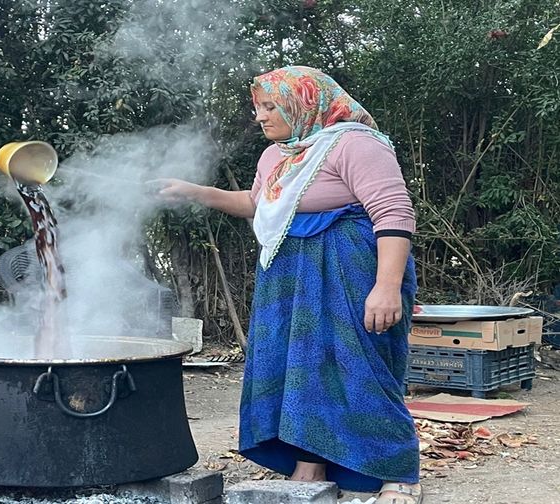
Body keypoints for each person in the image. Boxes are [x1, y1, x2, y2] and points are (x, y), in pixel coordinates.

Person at [158, 66, 422, 504]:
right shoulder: (279, 154)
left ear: (302, 102)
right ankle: (310, 460)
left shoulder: (353, 143)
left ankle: (397, 470)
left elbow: (394, 213)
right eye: (257, 108)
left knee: (359, 363)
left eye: (269, 106)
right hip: (288, 273)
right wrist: (193, 191)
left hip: (349, 268)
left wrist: (387, 286)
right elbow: (255, 203)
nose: (260, 117)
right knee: (296, 363)